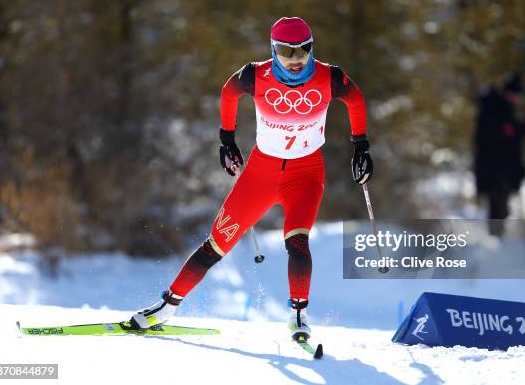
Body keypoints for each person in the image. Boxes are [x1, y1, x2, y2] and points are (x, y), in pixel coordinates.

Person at [129, 17, 373, 341]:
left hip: (306, 174)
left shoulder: (332, 78)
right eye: (287, 51)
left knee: (298, 243)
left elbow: (355, 100)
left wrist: (361, 146)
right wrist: (226, 139)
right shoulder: (254, 76)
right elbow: (228, 93)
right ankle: (166, 308)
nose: (297, 59)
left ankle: (298, 317)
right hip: (261, 173)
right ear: (274, 50)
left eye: (304, 50)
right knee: (215, 246)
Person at [474, 72, 525, 236]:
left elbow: (511, 131)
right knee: (498, 204)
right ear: (508, 93)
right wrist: (522, 129)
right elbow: (503, 134)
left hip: (501, 167)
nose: (517, 100)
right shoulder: (495, 109)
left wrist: (524, 128)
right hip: (495, 168)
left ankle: (498, 238)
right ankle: (496, 240)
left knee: (501, 205)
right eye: (515, 96)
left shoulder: (501, 108)